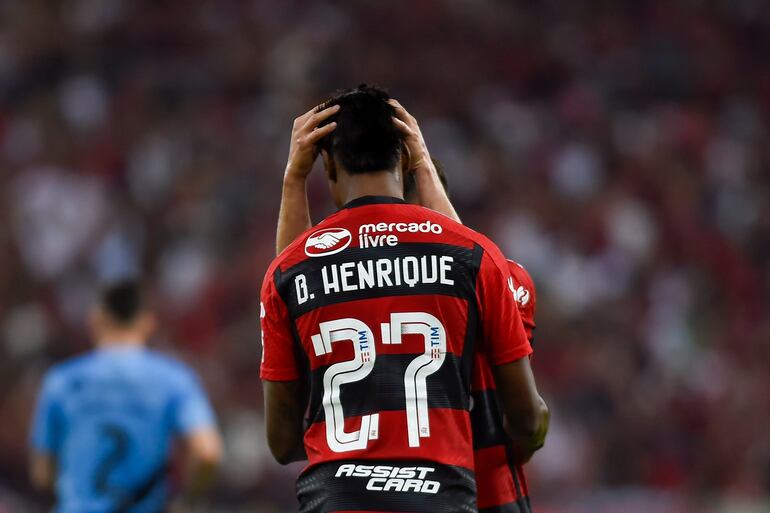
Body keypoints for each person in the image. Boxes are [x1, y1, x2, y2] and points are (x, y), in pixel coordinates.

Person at [260, 85, 549, 513]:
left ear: (328, 164)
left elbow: (283, 442)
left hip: (335, 499)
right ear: (407, 157)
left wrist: (293, 179)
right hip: (452, 498)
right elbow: (527, 417)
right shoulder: (478, 261)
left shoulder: (291, 273)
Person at [29, 281, 222, 513]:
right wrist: (188, 498)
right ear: (148, 323)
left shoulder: (62, 381)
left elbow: (43, 473)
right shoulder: (174, 379)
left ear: (96, 319)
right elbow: (207, 452)